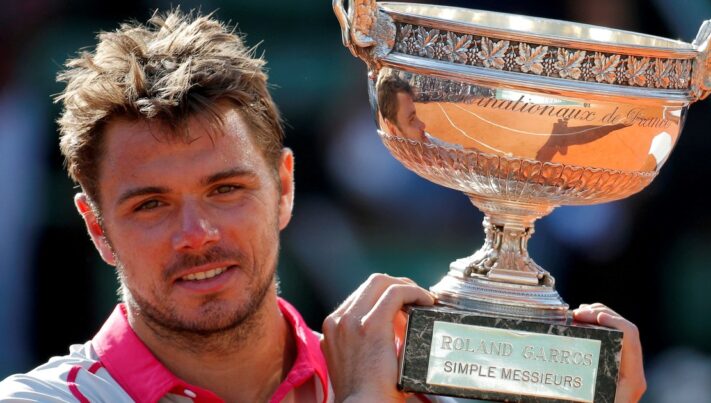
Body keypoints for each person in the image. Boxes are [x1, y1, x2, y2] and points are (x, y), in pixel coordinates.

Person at [0, 9, 646, 403]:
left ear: (284, 187)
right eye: (150, 204)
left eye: (227, 189)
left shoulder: (418, 381)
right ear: (97, 227)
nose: (195, 233)